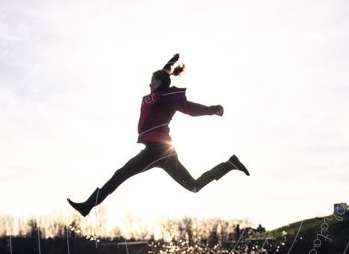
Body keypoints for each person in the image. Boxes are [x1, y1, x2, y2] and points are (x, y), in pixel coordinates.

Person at [67, 53, 249, 217]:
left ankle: (88, 206)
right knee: (194, 186)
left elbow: (190, 109)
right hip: (163, 153)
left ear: (159, 83)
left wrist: (212, 110)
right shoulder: (157, 94)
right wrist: (170, 63)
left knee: (120, 175)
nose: (149, 84)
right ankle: (230, 164)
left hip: (157, 150)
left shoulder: (167, 96)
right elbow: (163, 74)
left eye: (152, 81)